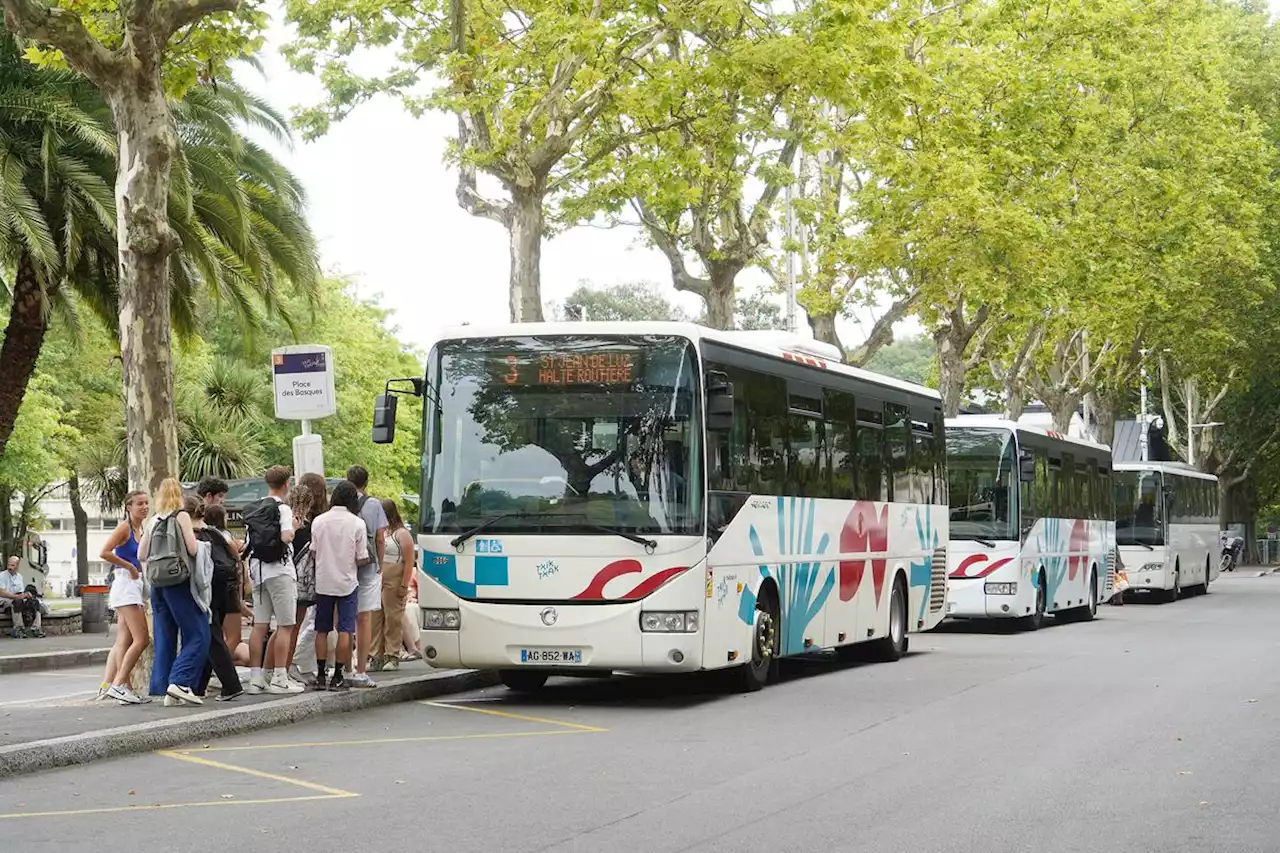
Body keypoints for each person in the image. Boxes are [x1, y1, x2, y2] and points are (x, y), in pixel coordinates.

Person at [140, 478, 208, 705]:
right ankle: (180, 681)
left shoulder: (153, 520)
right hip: (179, 581)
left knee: (164, 636)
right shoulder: (182, 516)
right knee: (198, 632)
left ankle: (162, 688)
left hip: (157, 583)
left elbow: (142, 554)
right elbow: (191, 548)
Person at [243, 466, 302, 695]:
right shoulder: (283, 509)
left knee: (260, 626)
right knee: (286, 626)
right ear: (287, 484)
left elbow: (248, 543)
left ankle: (256, 679)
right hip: (280, 572)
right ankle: (279, 677)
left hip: (258, 572)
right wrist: (294, 528)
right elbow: (286, 536)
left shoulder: (255, 508)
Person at [310, 480, 368, 691]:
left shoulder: (319, 521)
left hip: (323, 581)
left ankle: (320, 673)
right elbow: (362, 557)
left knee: (322, 629)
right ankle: (338, 675)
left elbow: (314, 552)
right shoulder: (357, 524)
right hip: (347, 581)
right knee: (345, 629)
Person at [96, 491, 151, 702]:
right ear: (129, 506)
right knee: (142, 639)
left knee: (124, 640)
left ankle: (121, 687)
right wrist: (129, 566)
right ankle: (118, 684)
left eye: (146, 503)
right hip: (125, 585)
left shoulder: (141, 528)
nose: (144, 507)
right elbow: (105, 552)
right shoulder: (124, 527)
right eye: (139, 504)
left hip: (135, 586)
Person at [194, 504, 245, 701]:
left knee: (212, 635)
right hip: (225, 587)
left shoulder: (196, 534)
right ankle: (199, 686)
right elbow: (234, 554)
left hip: (208, 589)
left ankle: (231, 685)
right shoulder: (217, 533)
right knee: (211, 633)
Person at [286, 473, 328, 683]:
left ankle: (276, 669)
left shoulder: (285, 517)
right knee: (295, 624)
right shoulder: (311, 524)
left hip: (283, 574)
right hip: (304, 581)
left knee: (284, 626)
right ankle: (287, 666)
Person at [347, 465, 386, 688]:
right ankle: (361, 668)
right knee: (364, 619)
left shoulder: (340, 503)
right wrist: (380, 563)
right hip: (368, 566)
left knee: (343, 618)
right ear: (366, 482)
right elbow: (380, 537)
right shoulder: (374, 505)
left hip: (345, 566)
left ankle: (345, 667)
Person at [370, 500, 414, 671]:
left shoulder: (402, 534)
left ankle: (392, 654)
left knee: (393, 618)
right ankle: (376, 654)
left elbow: (409, 561)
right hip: (379, 578)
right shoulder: (382, 532)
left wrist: (404, 583)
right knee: (375, 617)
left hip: (394, 577)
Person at [1, 556, 41, 639]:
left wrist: (26, 594)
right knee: (17, 601)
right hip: (5, 601)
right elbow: (2, 593)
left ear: (17, 566)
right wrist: (17, 596)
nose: (9, 568)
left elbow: (20, 592)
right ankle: (18, 628)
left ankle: (36, 628)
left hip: (18, 599)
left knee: (35, 602)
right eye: (9, 565)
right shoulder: (2, 576)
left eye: (12, 565)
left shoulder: (19, 577)